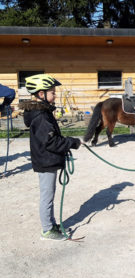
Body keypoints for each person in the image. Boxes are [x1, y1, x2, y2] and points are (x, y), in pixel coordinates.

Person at [19, 74, 81, 241]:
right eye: (52, 92)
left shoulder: (43, 112)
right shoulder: (41, 116)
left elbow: (50, 137)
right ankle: (47, 230)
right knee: (47, 196)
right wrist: (71, 142)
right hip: (46, 160)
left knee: (50, 194)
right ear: (41, 94)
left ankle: (51, 224)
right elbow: (50, 141)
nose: (55, 95)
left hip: (47, 159)